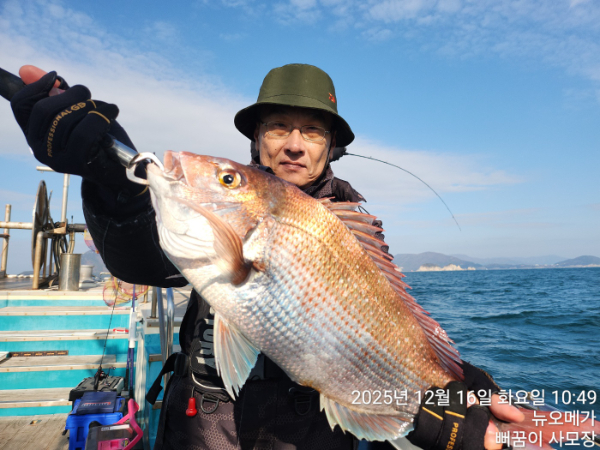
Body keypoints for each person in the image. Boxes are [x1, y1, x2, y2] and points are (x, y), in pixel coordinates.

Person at [10, 63, 522, 450]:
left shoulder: (352, 227)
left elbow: (388, 320)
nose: (294, 145)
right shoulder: (219, 214)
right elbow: (141, 258)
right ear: (257, 140)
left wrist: (457, 382)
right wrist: (112, 184)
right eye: (278, 126)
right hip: (206, 430)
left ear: (330, 147)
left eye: (312, 131)